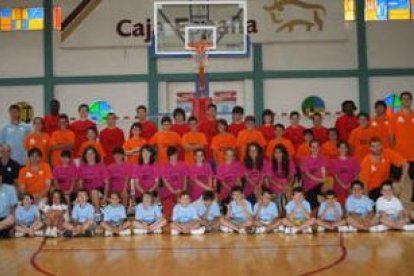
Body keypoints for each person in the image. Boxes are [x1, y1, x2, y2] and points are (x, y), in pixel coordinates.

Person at [389, 91, 414, 202]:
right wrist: (395, 150)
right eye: (403, 98)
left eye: (408, 98)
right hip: (399, 154)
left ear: (411, 100)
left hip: (413, 154)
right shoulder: (394, 117)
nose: (406, 100)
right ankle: (394, 200)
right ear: (401, 101)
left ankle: (412, 200)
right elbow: (390, 136)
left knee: (413, 179)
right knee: (396, 180)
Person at [265, 144, 296, 214]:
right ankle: (280, 213)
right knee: (279, 198)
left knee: (289, 193)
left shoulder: (289, 161)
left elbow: (292, 176)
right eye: (276, 152)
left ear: (283, 153)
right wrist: (279, 186)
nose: (277, 154)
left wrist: (288, 185)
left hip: (287, 186)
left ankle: (290, 214)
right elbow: (269, 178)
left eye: (279, 152)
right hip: (275, 186)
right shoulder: (271, 163)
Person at [78, 146, 109, 215]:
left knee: (94, 192)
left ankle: (98, 214)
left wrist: (105, 197)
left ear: (95, 155)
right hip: (86, 192)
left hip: (99, 191)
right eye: (88, 154)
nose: (90, 155)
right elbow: (80, 183)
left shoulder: (101, 165)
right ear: (85, 156)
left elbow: (107, 183)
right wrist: (79, 195)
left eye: (92, 153)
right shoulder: (81, 167)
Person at [158, 147, 188, 220]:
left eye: (175, 154)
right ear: (168, 156)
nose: (174, 156)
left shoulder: (183, 164)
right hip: (169, 193)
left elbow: (185, 179)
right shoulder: (164, 166)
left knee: (184, 205)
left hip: (180, 192)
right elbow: (165, 182)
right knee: (168, 215)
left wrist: (183, 192)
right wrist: (173, 191)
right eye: (172, 155)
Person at [300, 140, 328, 210]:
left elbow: (323, 171)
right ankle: (314, 216)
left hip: (319, 184)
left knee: (323, 195)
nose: (315, 149)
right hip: (309, 185)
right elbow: (308, 174)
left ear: (319, 148)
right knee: (313, 198)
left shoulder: (323, 158)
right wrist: (320, 180)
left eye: (317, 147)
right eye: (313, 147)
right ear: (310, 148)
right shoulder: (306, 159)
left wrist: (323, 180)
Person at [0, 170, 18, 238]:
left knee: (11, 218)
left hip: (5, 219)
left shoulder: (10, 189)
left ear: (2, 177)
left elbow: (13, 208)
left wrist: (13, 220)